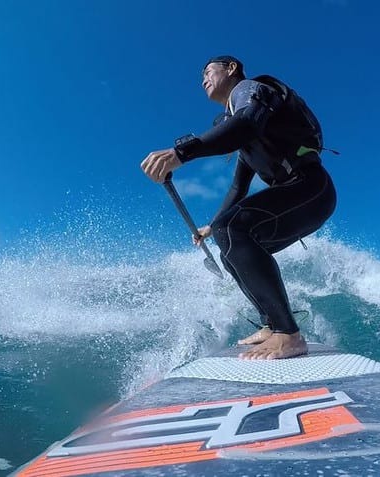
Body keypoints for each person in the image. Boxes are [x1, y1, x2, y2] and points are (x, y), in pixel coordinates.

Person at [141, 55, 336, 360]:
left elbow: (244, 124)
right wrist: (211, 226)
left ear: (231, 69)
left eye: (208, 72)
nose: (203, 80)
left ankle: (288, 334)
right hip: (298, 194)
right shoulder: (249, 142)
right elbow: (237, 188)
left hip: (311, 189)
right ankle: (272, 324)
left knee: (231, 229)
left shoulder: (250, 91)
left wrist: (180, 153)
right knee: (227, 244)